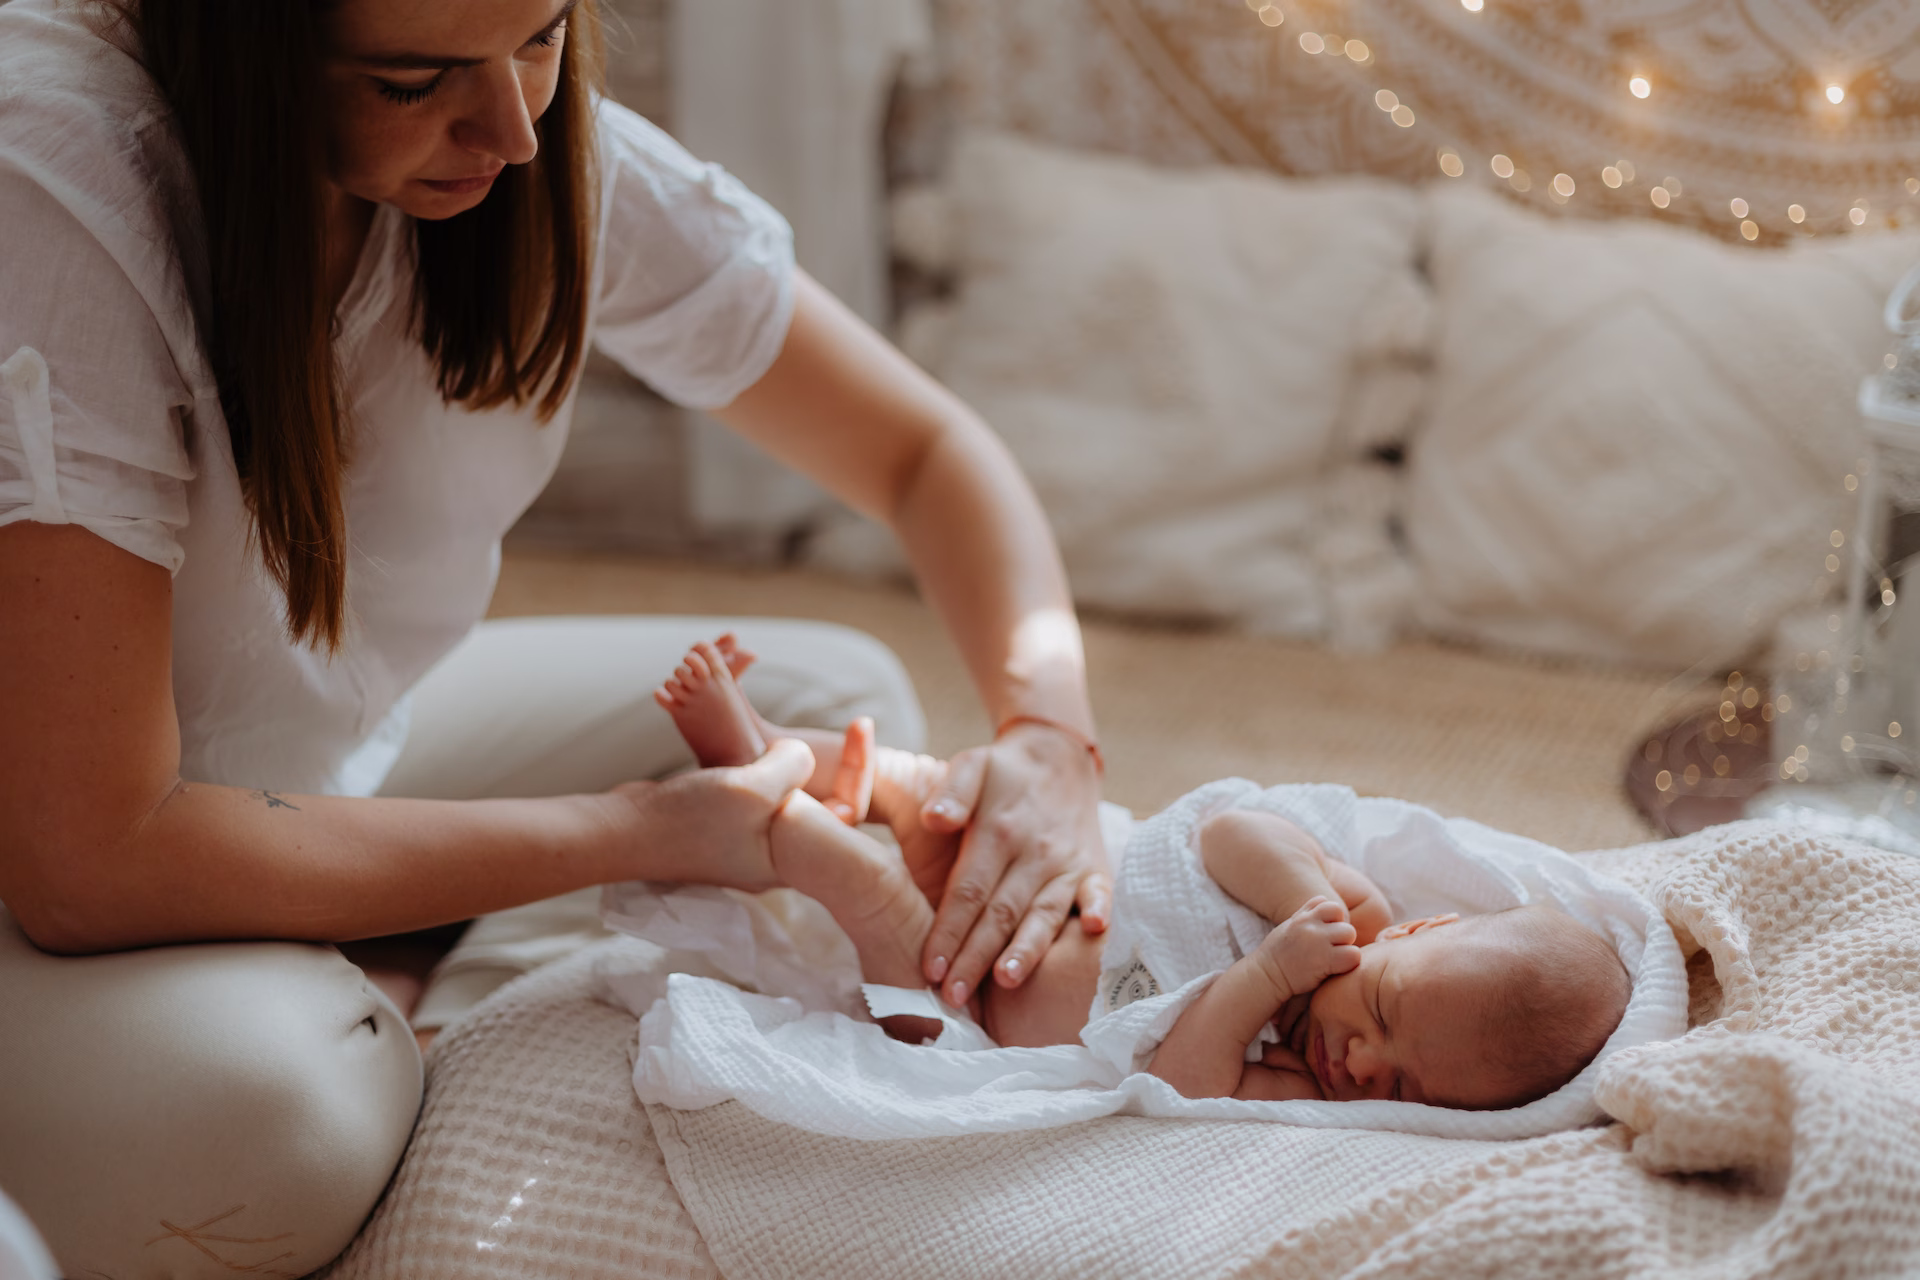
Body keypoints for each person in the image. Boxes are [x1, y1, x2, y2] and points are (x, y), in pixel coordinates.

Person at [0, 0, 1109, 1274]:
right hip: (54, 854)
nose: (514, 132)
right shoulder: (51, 181)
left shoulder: (544, 150)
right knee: (277, 1129)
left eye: (541, 36)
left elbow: (924, 452)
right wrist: (638, 827)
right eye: (415, 80)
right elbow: (89, 857)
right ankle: (402, 1003)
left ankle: (412, 984)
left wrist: (1051, 737)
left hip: (292, 757)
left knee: (838, 695)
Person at [658, 635, 1632, 1109]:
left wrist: (1262, 981)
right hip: (1054, 888)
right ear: (1412, 936)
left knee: (891, 944)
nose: (1367, 1061)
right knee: (935, 790)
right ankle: (773, 748)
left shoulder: (1292, 1086)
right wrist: (1302, 907)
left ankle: (799, 835)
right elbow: (1224, 832)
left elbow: (1179, 1086)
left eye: (1408, 1088)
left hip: (964, 1000)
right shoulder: (1349, 909)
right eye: (1384, 1010)